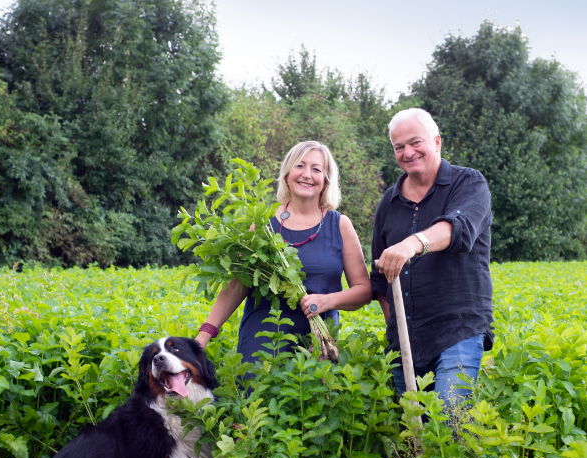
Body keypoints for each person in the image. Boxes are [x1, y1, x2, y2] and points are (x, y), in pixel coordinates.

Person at [195, 141, 372, 362]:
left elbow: (364, 291)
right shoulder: (262, 224)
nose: (307, 175)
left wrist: (326, 301)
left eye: (316, 169)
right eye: (299, 166)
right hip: (262, 343)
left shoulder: (340, 225)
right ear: (287, 174)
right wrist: (204, 336)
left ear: (326, 181)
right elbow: (237, 284)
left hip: (318, 342)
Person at [371, 108, 494, 408]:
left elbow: (460, 229)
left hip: (458, 331)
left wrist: (414, 243)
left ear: (437, 142)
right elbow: (380, 278)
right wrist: (396, 329)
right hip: (405, 344)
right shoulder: (389, 201)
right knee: (415, 436)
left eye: (415, 142)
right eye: (399, 147)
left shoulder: (469, 183)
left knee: (450, 422)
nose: (408, 152)